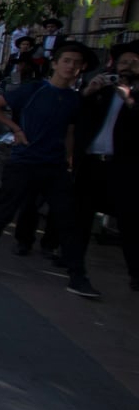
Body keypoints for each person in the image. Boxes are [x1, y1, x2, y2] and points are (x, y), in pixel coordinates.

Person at [0, 43, 94, 280]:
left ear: (82, 68)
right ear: (55, 63)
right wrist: (16, 128)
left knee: (67, 218)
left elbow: (70, 132)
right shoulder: (33, 89)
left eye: (77, 62)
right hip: (24, 161)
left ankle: (78, 276)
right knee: (4, 213)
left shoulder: (75, 100)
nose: (71, 66)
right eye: (66, 60)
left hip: (54, 165)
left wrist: (68, 159)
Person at [63, 40, 139, 296]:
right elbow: (76, 118)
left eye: (134, 63)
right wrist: (87, 94)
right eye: (124, 62)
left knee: (130, 223)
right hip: (92, 165)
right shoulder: (101, 88)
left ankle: (135, 275)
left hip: (123, 169)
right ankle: (76, 273)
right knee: (80, 220)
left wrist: (129, 100)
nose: (128, 66)